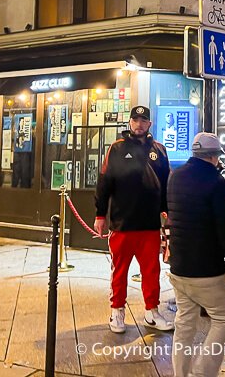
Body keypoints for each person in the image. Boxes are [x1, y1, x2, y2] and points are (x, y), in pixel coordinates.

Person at [167, 132, 225, 377]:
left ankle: (181, 373)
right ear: (213, 156)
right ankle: (202, 373)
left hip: (179, 265)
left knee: (185, 321)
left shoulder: (175, 176)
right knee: (224, 317)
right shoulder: (215, 182)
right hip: (206, 268)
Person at [94, 106, 173, 333]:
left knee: (152, 271)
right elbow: (105, 182)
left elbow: (166, 184)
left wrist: (168, 212)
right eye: (135, 119)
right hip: (122, 223)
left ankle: (152, 312)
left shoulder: (159, 150)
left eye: (143, 120)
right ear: (130, 123)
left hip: (149, 224)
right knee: (119, 271)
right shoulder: (117, 149)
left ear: (150, 124)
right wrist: (100, 215)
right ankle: (116, 312)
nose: (139, 124)